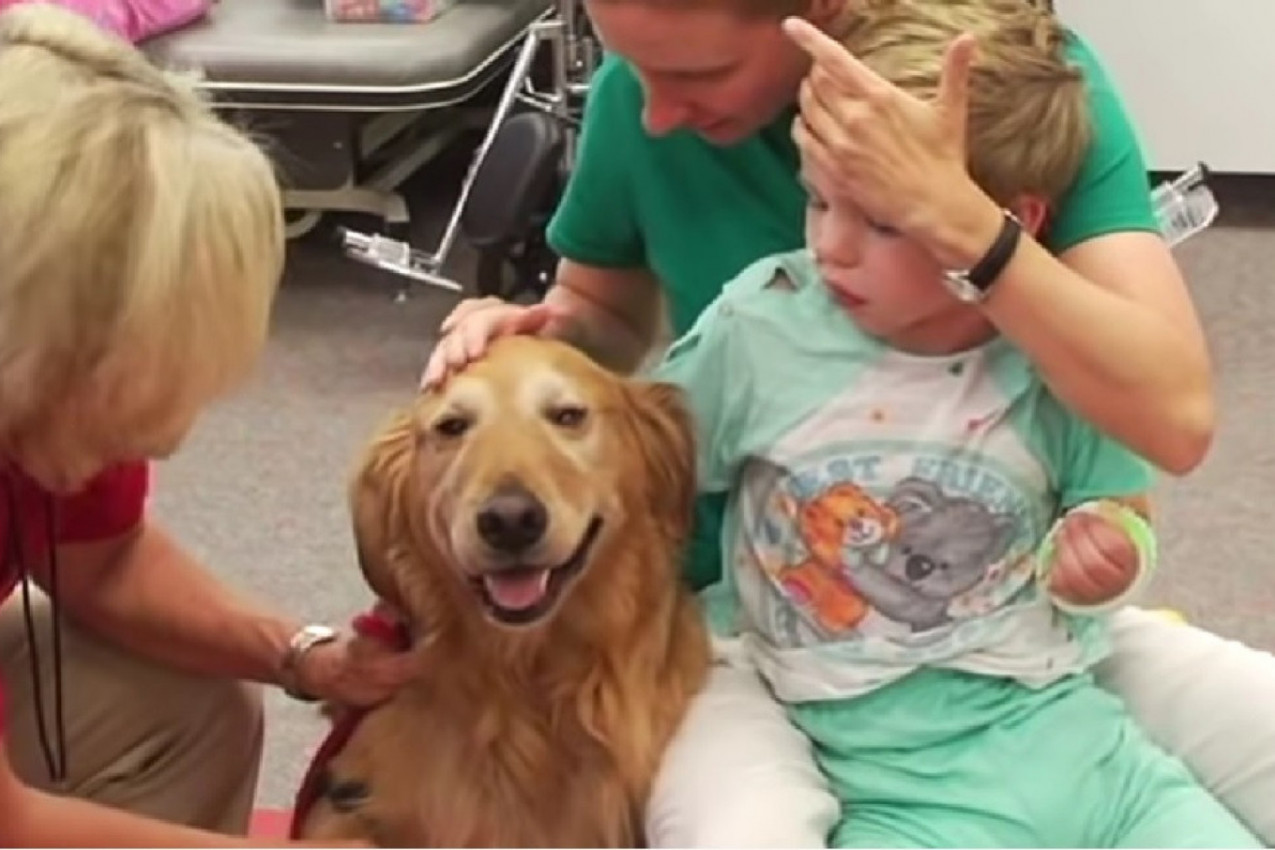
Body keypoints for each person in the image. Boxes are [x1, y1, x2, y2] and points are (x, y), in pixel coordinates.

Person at [421, 0, 1275, 842]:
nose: (655, 111)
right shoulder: (726, 268)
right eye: (818, 204)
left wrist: (965, 230)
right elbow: (605, 329)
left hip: (1007, 627)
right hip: (762, 627)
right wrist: (536, 337)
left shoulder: (1012, 89)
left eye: (699, 73)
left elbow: (1170, 421)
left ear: (820, 14)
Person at [0, 4, 410, 845]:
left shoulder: (49, 371)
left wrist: (303, 654)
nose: (163, 438)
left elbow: (102, 564)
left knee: (182, 704)